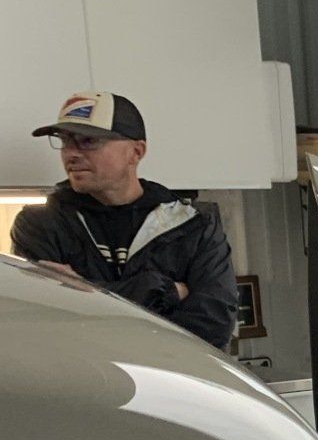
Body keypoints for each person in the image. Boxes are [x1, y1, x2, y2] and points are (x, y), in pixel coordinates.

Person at [13, 92, 238, 348]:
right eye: (65, 142)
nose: (71, 154)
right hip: (89, 384)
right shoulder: (39, 225)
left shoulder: (193, 225)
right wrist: (164, 290)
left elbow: (214, 327)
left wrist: (83, 289)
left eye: (87, 141)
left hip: (171, 385)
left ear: (136, 152)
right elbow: (49, 325)